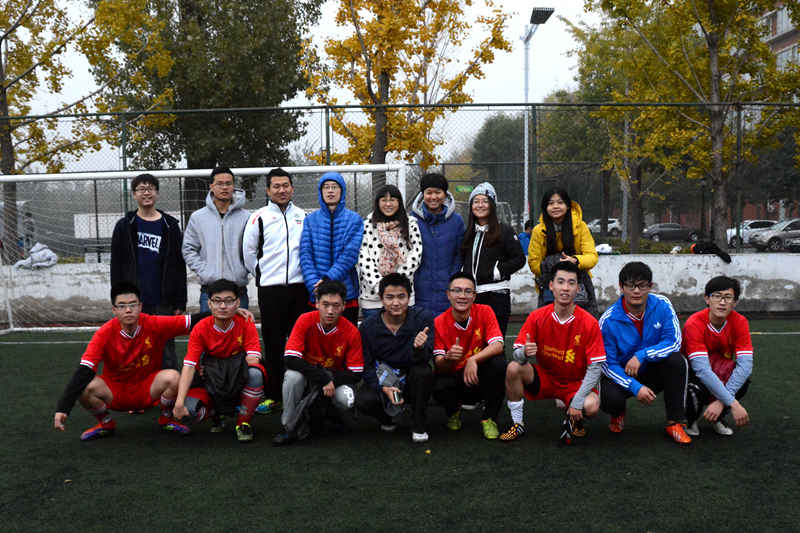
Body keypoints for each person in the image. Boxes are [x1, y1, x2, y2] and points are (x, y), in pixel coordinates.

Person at [53, 282, 201, 440]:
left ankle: (166, 420)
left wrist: (219, 312)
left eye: (132, 304)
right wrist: (63, 408)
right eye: (122, 306)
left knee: (173, 377)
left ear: (140, 306)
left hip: (148, 389)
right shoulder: (104, 334)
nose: (128, 310)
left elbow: (192, 321)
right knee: (84, 386)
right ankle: (106, 424)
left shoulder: (153, 323)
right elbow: (85, 369)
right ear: (114, 310)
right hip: (115, 392)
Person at [500, 261, 606, 444]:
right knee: (513, 368)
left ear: (578, 288)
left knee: (591, 406)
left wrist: (578, 401)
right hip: (546, 378)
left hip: (575, 383)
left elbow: (596, 367)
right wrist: (524, 353)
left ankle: (573, 418)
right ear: (551, 285)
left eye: (571, 283)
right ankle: (517, 424)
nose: (565, 288)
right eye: (560, 282)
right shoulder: (537, 316)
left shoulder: (589, 323)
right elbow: (516, 353)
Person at [598, 261, 692, 445]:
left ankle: (675, 423)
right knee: (610, 398)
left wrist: (642, 355)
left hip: (653, 370)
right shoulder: (608, 320)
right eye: (630, 285)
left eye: (642, 285)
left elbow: (674, 341)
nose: (636, 291)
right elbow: (608, 365)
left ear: (650, 286)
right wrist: (635, 387)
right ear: (621, 287)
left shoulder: (662, 304)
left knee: (677, 361)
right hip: (624, 373)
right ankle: (617, 414)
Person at [242, 167, 308, 414]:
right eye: (276, 186)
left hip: (299, 289)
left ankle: (300, 392)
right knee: (273, 343)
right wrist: (263, 275)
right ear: (268, 190)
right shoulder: (258, 217)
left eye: (286, 185)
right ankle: (273, 395)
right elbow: (248, 252)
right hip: (270, 290)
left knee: (299, 343)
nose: (282, 190)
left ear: (292, 188)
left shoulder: (302, 216)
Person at [273, 280, 364, 445]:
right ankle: (288, 426)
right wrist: (322, 378)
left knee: (345, 398)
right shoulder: (304, 320)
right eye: (325, 304)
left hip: (334, 381)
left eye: (336, 305)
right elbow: (290, 358)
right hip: (308, 377)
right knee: (292, 377)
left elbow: (356, 373)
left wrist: (329, 379)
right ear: (317, 304)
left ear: (344, 306)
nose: (330, 311)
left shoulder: (351, 331)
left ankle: (331, 416)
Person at [173, 279, 265, 442]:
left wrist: (231, 380)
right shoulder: (200, 328)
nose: (223, 306)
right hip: (210, 377)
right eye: (217, 301)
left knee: (255, 374)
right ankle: (216, 413)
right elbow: (189, 366)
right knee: (190, 412)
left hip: (237, 375)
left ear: (237, 303)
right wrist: (179, 403)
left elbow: (253, 359)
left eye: (228, 301)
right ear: (209, 303)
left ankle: (243, 423)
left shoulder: (245, 322)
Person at [111, 173, 186, 370]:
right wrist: (117, 299)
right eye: (141, 189)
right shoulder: (124, 226)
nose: (146, 193)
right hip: (134, 301)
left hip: (164, 300)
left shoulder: (170, 226)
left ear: (157, 193)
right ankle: (137, 385)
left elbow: (178, 266)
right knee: (134, 348)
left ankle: (169, 386)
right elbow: (116, 265)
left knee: (166, 350)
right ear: (134, 194)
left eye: (150, 189)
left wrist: (180, 301)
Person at [356, 273, 434, 443]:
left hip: (411, 380)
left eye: (401, 296)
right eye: (390, 297)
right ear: (381, 299)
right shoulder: (368, 327)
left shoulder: (423, 319)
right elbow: (366, 365)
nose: (396, 303)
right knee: (363, 400)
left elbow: (427, 358)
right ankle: (387, 418)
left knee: (423, 372)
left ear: (409, 297)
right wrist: (382, 388)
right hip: (385, 380)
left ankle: (418, 423)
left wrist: (419, 348)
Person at [432, 272, 506, 440]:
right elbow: (439, 365)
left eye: (468, 291)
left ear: (474, 296)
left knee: (499, 364)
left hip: (478, 375)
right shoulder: (439, 322)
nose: (462, 296)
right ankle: (453, 411)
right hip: (456, 379)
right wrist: (448, 357)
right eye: (457, 290)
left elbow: (498, 345)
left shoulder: (485, 311)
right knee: (437, 383)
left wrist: (473, 359)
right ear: (448, 294)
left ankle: (489, 418)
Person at [682, 276, 752, 437]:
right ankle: (690, 420)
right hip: (694, 374)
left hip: (720, 371)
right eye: (716, 296)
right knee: (693, 389)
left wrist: (722, 401)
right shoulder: (694, 323)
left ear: (735, 302)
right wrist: (733, 403)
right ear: (707, 299)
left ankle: (717, 418)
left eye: (728, 297)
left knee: (742, 379)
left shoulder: (740, 322)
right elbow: (701, 370)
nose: (722, 302)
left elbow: (746, 365)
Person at [459, 182, 525, 336]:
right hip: (471, 297)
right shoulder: (468, 233)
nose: (480, 205)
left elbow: (519, 259)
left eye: (485, 201)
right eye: (476, 201)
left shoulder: (504, 230)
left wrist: (497, 271)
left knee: (494, 343)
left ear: (492, 204)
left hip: (496, 297)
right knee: (473, 343)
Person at [183, 166, 251, 312]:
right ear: (211, 186)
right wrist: (205, 271)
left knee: (240, 327)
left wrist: (243, 270)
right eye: (220, 183)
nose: (224, 187)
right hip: (209, 290)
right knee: (207, 327)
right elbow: (188, 249)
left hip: (238, 290)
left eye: (228, 183)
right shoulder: (198, 217)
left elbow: (252, 249)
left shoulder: (247, 217)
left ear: (233, 186)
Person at [299, 172, 363, 325]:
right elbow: (305, 255)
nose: (330, 191)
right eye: (326, 187)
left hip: (346, 292)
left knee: (346, 336)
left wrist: (327, 279)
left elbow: (350, 255)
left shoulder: (354, 219)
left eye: (334, 187)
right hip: (316, 292)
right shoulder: (310, 220)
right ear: (320, 192)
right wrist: (314, 284)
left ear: (342, 191)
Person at [357, 184, 423, 321]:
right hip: (373, 297)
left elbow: (416, 254)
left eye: (392, 200)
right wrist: (380, 286)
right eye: (384, 200)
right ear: (378, 203)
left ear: (399, 202)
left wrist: (397, 285)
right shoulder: (367, 224)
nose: (388, 204)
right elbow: (363, 256)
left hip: (403, 295)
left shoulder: (410, 223)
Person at [527, 188, 598, 313]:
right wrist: (555, 268)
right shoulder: (538, 230)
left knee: (582, 322)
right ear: (545, 207)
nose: (555, 206)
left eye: (560, 202)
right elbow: (533, 262)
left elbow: (592, 257)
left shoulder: (581, 227)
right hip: (550, 284)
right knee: (548, 322)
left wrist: (575, 261)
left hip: (579, 282)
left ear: (568, 206)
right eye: (551, 203)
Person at [409, 173, 465, 316]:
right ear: (423, 195)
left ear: (445, 194)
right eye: (429, 192)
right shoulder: (411, 220)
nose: (433, 197)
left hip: (447, 290)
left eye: (438, 192)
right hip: (419, 290)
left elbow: (459, 254)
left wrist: (452, 279)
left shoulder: (457, 221)